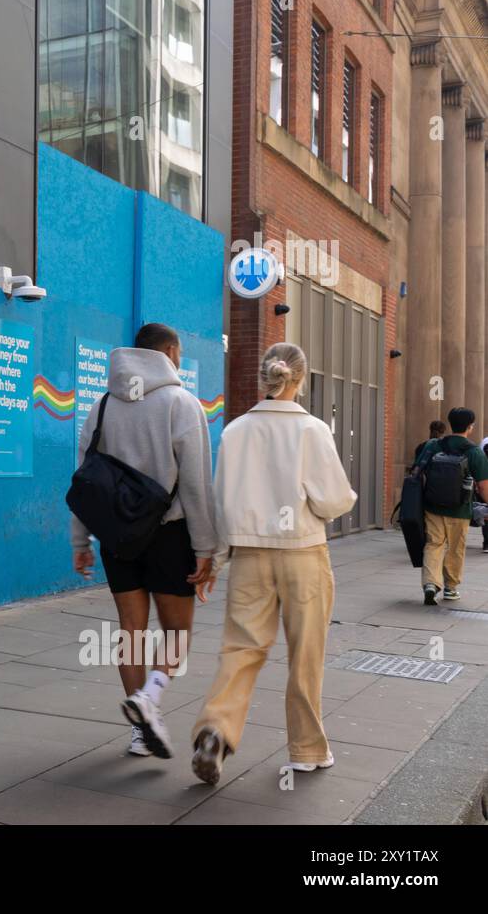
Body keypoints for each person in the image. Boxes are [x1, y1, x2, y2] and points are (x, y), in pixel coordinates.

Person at [190, 343, 355, 786]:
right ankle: (306, 750)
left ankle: (216, 729)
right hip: (303, 553)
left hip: (248, 556)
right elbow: (334, 499)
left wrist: (216, 560)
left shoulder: (236, 431)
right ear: (301, 378)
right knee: (306, 655)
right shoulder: (313, 430)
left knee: (240, 650)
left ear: (266, 377)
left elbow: (221, 502)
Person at [72, 323, 217, 759]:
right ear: (170, 352)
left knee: (131, 631)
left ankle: (139, 733)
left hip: (117, 537)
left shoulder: (100, 407)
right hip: (169, 534)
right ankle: (149, 698)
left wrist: (81, 539)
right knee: (177, 633)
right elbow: (195, 484)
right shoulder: (181, 403)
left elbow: (85, 480)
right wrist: (208, 549)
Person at [415, 407, 488, 604]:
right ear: (470, 427)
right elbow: (483, 486)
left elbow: (417, 471)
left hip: (433, 506)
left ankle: (430, 583)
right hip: (460, 509)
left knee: (434, 544)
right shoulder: (474, 452)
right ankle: (450, 587)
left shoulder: (433, 445)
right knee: (456, 548)